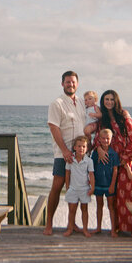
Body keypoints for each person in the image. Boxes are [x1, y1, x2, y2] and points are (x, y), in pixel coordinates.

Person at [94, 90, 132, 237]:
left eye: (111, 99)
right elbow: (98, 137)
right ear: (103, 101)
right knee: (113, 197)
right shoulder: (102, 119)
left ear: (116, 101)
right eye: (106, 99)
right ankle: (117, 227)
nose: (109, 102)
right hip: (110, 161)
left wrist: (125, 157)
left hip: (126, 161)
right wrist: (98, 148)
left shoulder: (124, 115)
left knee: (128, 195)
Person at [43, 71, 86, 235]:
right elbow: (54, 127)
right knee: (57, 187)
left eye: (73, 82)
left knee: (74, 189)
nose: (71, 84)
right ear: (62, 84)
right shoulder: (57, 103)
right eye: (68, 82)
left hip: (80, 155)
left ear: (77, 83)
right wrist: (65, 151)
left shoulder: (82, 102)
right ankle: (48, 225)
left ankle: (72, 224)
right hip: (63, 154)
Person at [64, 135, 95, 237]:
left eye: (84, 146)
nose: (81, 148)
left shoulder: (89, 161)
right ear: (74, 147)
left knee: (84, 210)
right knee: (72, 210)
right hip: (73, 189)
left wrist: (92, 188)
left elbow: (91, 175)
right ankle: (70, 228)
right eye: (79, 146)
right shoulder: (70, 159)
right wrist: (67, 187)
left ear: (86, 148)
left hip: (84, 189)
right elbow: (67, 173)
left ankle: (85, 229)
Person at [91, 128, 119, 237]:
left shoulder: (114, 154)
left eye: (108, 139)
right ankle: (98, 227)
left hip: (109, 185)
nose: (105, 141)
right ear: (99, 139)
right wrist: (92, 184)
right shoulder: (95, 153)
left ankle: (113, 229)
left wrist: (112, 185)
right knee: (99, 206)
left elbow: (115, 170)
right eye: (103, 138)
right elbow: (91, 169)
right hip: (98, 184)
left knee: (111, 207)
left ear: (111, 139)